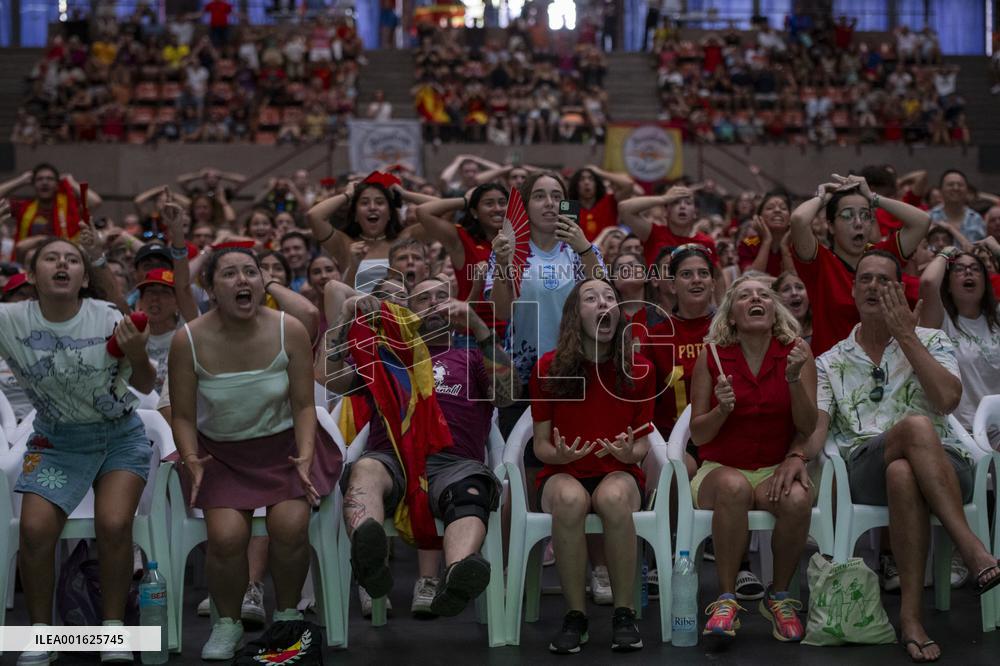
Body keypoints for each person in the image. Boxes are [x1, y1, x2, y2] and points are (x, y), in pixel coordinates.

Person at [802, 249, 1000, 662]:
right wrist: (793, 455)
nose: (874, 287)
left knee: (903, 473)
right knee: (914, 427)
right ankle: (972, 547)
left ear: (901, 290)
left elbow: (947, 400)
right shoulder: (830, 361)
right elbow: (817, 433)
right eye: (866, 280)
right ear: (854, 291)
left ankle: (910, 618)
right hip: (862, 467)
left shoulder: (931, 339)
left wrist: (906, 338)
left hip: (945, 464)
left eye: (885, 281)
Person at [167, 247, 342, 660]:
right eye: (229, 274)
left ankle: (285, 618)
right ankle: (227, 623)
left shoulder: (290, 330)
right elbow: (184, 417)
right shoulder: (187, 339)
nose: (243, 280)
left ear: (263, 283)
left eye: (251, 271)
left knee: (291, 525)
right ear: (210, 289)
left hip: (285, 449)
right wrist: (190, 458)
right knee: (226, 536)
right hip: (220, 455)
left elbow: (303, 405)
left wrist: (303, 456)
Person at [1, 238, 155, 665]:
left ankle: (112, 632)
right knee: (33, 530)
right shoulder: (9, 320)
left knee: (113, 522)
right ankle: (40, 633)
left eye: (72, 260)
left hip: (118, 437)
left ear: (84, 278)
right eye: (51, 258)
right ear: (32, 275)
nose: (62, 265)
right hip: (56, 443)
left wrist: (139, 352)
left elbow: (144, 384)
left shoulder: (106, 316)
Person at [328, 276, 516, 618]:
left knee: (471, 492)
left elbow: (507, 394)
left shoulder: (471, 357)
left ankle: (458, 573)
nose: (434, 304)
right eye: (423, 299)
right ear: (405, 311)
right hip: (393, 459)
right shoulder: (384, 356)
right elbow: (329, 379)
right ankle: (368, 554)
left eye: (442, 297)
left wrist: (480, 328)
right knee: (365, 469)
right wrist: (344, 318)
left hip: (455, 465)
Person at [689, 275, 816, 643]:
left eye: (763, 295)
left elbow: (807, 427)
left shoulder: (796, 352)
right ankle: (726, 598)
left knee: (797, 498)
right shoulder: (711, 356)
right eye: (745, 296)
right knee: (733, 486)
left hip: (774, 467)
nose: (756, 299)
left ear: (774, 310)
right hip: (721, 468)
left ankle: (778, 596)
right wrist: (722, 410)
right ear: (731, 316)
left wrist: (793, 379)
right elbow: (698, 434)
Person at [530, 278, 654, 654]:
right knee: (569, 500)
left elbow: (644, 445)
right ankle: (575, 615)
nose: (603, 304)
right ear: (574, 314)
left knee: (614, 497)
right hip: (562, 471)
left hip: (619, 470)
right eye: (591, 298)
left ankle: (623, 613)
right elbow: (540, 446)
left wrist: (629, 451)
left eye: (610, 298)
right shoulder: (548, 367)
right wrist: (561, 456)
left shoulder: (639, 368)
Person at [485, 172, 603, 432]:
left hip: (577, 371)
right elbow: (502, 312)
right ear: (525, 206)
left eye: (557, 196)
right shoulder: (507, 249)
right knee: (522, 463)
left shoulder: (583, 250)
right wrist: (503, 266)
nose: (549, 203)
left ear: (567, 205)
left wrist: (584, 249)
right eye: (539, 196)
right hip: (521, 377)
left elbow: (605, 307)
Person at [789, 173, 930, 354]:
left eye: (865, 215)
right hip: (832, 373)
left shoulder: (882, 257)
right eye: (847, 215)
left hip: (883, 369)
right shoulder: (820, 263)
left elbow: (921, 221)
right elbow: (799, 220)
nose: (858, 223)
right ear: (830, 226)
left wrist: (873, 197)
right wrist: (821, 198)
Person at [919, 246, 1000, 447]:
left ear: (985, 281)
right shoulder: (940, 320)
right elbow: (928, 282)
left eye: (975, 268)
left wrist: (994, 248)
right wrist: (946, 252)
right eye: (959, 269)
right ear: (947, 284)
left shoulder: (997, 317)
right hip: (956, 433)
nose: (968, 272)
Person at [306, 178, 434, 293]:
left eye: (379, 202)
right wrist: (348, 195)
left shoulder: (406, 239)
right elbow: (314, 216)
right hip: (358, 315)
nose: (372, 207)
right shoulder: (345, 244)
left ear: (390, 213)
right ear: (355, 215)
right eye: (364, 203)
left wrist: (404, 194)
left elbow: (445, 211)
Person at [619, 185, 717, 268]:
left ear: (695, 212)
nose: (682, 206)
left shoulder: (706, 242)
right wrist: (664, 198)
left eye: (688, 203)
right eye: (675, 202)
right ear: (666, 211)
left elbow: (717, 277)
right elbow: (624, 209)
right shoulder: (653, 234)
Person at [0, 164, 102, 242]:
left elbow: (95, 202)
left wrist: (71, 182)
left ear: (57, 185)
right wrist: (21, 180)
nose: (45, 182)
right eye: (39, 179)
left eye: (50, 179)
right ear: (33, 184)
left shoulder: (69, 206)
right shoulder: (23, 207)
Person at [566, 166, 636, 241]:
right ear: (576, 185)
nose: (586, 182)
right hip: (579, 251)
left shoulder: (609, 201)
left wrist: (599, 172)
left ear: (597, 183)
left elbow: (628, 184)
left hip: (609, 251)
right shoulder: (570, 207)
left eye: (591, 179)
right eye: (582, 179)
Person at [929, 170, 986, 243]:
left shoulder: (976, 219)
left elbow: (981, 251)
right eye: (950, 184)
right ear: (940, 190)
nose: (956, 188)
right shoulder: (930, 217)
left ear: (967, 190)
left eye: (960, 185)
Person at [773, 271, 812, 344]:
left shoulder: (823, 326)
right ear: (777, 298)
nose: (794, 293)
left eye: (799, 287)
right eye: (786, 289)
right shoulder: (772, 335)